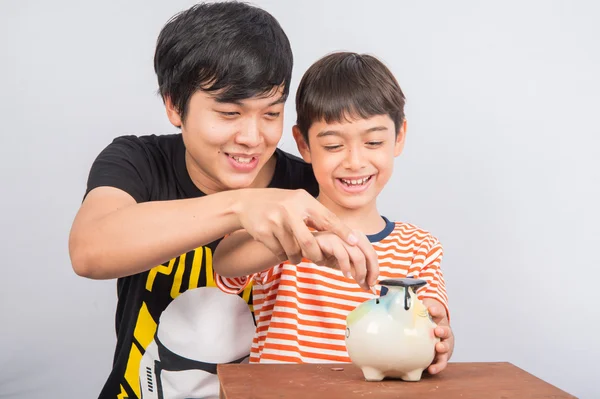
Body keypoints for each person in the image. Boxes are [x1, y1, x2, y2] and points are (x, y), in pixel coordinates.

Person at [68, 3, 383, 398]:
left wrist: (424, 331)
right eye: (229, 113)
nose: (253, 137)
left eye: (271, 113)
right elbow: (89, 250)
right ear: (173, 105)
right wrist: (240, 207)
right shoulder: (138, 162)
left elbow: (365, 296)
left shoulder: (309, 186)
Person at [213, 52, 453, 373]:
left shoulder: (419, 248)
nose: (355, 161)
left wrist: (437, 334)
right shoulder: (285, 223)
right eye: (333, 146)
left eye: (374, 141)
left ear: (399, 137)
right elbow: (226, 269)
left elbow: (435, 321)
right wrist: (300, 240)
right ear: (304, 145)